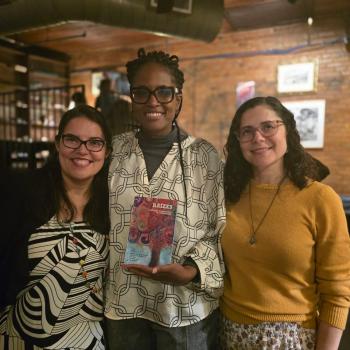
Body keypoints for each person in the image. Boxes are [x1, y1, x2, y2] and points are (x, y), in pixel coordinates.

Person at [105, 48, 226, 350]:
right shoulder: (112, 152)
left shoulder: (204, 156)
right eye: (142, 92)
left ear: (179, 98)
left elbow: (221, 228)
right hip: (123, 301)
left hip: (182, 308)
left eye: (164, 92)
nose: (153, 101)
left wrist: (191, 271)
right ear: (131, 99)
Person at [220, 96, 350, 349]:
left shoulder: (321, 199)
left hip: (291, 338)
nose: (257, 137)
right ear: (238, 140)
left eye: (268, 126)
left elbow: (337, 290)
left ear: (288, 131)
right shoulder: (228, 195)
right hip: (227, 331)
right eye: (247, 131)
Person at [0, 105, 112, 349]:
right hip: (20, 339)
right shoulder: (20, 192)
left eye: (94, 142)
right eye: (72, 139)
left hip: (89, 341)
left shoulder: (113, 205)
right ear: (57, 143)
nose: (83, 150)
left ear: (106, 151)